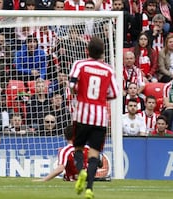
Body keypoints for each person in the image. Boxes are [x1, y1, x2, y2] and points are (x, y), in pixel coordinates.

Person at [69, 37, 119, 199]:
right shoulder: (108, 70)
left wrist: (78, 91)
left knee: (77, 148)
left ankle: (80, 171)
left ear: (87, 51)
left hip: (82, 114)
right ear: (102, 53)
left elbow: (71, 84)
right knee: (94, 154)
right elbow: (114, 93)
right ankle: (89, 189)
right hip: (100, 118)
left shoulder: (80, 64)